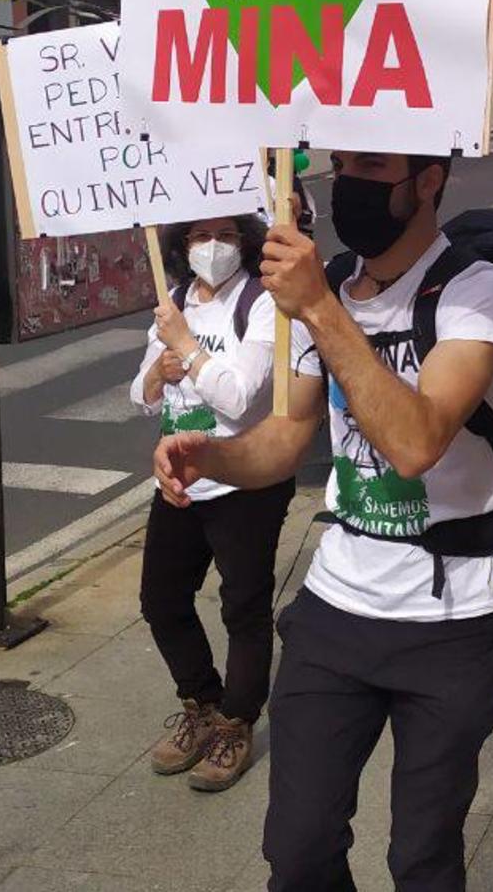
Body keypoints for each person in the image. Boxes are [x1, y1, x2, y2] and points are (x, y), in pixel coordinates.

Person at [154, 151, 493, 891]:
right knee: (297, 847)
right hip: (337, 607)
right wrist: (211, 459)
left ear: (428, 180)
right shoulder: (340, 287)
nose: (347, 180)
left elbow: (417, 442)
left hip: (453, 615)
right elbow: (287, 437)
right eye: (343, 162)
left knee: (421, 855)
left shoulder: (479, 292)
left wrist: (320, 307)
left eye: (372, 166)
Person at [131, 215, 290, 792]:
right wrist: (158, 370)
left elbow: (241, 395)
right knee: (160, 600)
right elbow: (141, 397)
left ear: (246, 241)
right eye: (199, 237)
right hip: (177, 481)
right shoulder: (174, 301)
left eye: (225, 235)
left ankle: (236, 723)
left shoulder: (262, 302)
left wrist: (186, 348)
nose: (212, 247)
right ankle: (201, 702)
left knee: (243, 606)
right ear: (182, 245)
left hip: (243, 481)